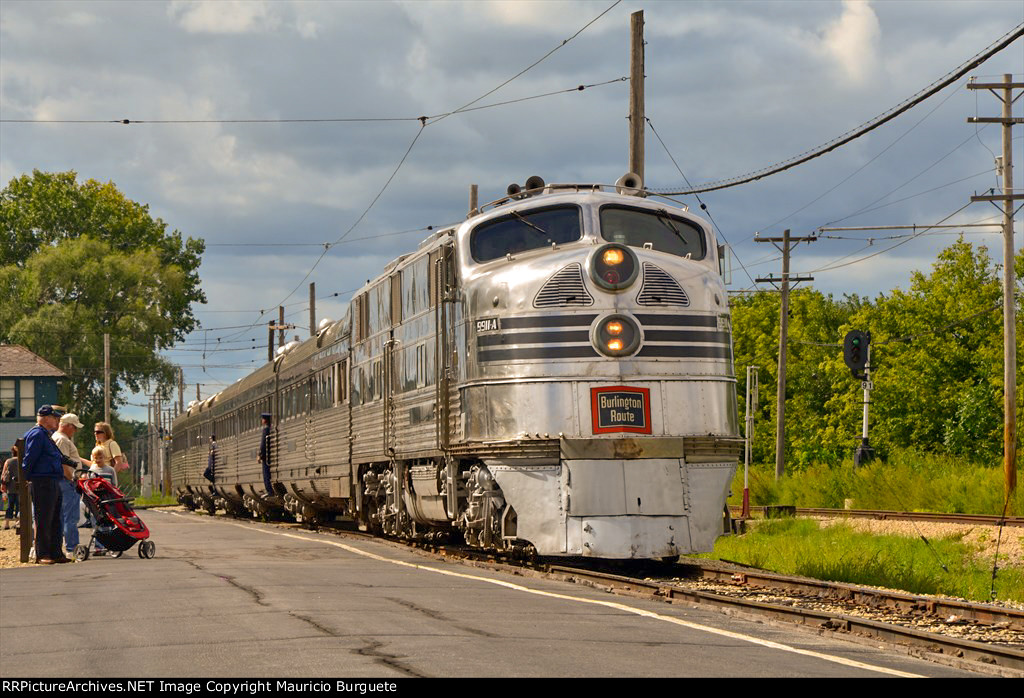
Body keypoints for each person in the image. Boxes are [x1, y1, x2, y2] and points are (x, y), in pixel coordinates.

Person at [21, 405, 71, 564]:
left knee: (55, 518)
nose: (57, 421)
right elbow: (29, 459)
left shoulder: (46, 435)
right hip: (42, 480)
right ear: (45, 417)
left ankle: (56, 552)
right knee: (44, 518)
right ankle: (43, 554)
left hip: (53, 480)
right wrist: (27, 478)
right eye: (54, 417)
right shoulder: (37, 434)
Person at [52, 413, 91, 556]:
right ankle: (72, 548)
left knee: (64, 516)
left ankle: (66, 547)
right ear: (67, 426)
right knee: (70, 517)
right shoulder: (62, 440)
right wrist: (72, 479)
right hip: (66, 481)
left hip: (62, 481)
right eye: (74, 427)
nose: (75, 430)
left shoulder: (58, 438)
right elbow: (64, 463)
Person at [87, 446, 117, 555]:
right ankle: (99, 547)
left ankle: (111, 545)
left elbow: (114, 485)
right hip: (96, 500)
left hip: (108, 498)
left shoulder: (110, 470)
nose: (98, 460)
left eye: (100, 457)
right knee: (96, 522)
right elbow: (89, 485)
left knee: (110, 522)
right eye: (96, 458)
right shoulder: (92, 470)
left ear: (105, 457)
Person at [2, 444, 20, 529]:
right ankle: (17, 522)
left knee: (10, 505)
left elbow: (4, 474)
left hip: (10, 487)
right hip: (20, 487)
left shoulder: (8, 461)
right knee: (19, 505)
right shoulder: (22, 460)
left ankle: (7, 523)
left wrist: (3, 485)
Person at [259, 414, 273, 496]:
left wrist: (260, 455)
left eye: (262, 419)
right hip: (270, 456)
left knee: (266, 474)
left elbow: (263, 444)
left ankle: (269, 491)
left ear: (264, 420)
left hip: (266, 457)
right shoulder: (270, 429)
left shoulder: (265, 430)